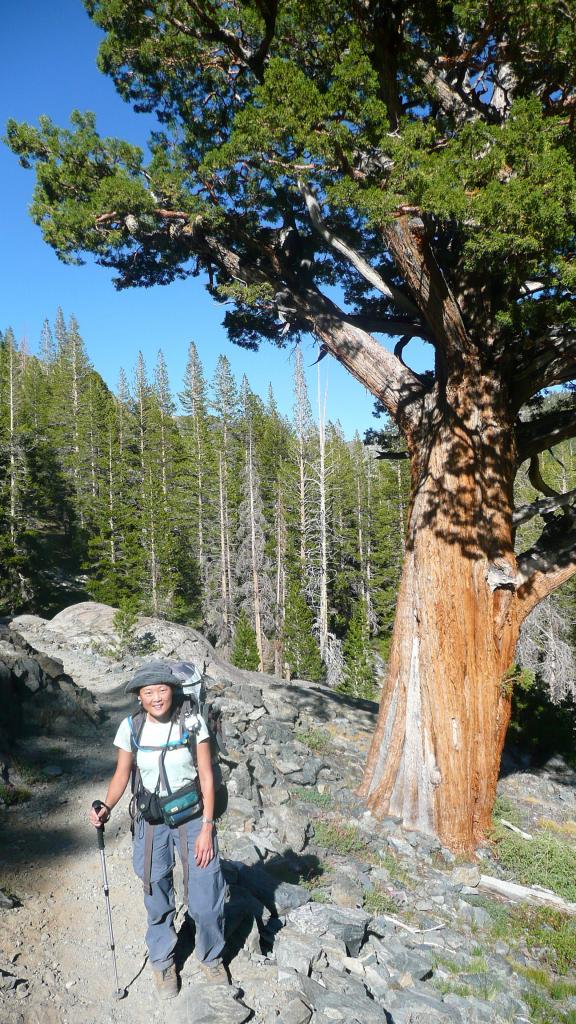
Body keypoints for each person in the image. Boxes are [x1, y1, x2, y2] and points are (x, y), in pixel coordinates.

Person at [89, 660, 228, 1000]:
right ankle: (163, 960)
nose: (156, 697)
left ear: (173, 691)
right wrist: (106, 806)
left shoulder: (192, 722)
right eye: (148, 692)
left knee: (207, 895)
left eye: (162, 690)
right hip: (152, 821)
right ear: (139, 697)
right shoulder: (131, 727)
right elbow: (122, 773)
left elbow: (207, 776)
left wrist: (208, 827)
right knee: (155, 890)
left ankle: (211, 957)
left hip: (194, 818)